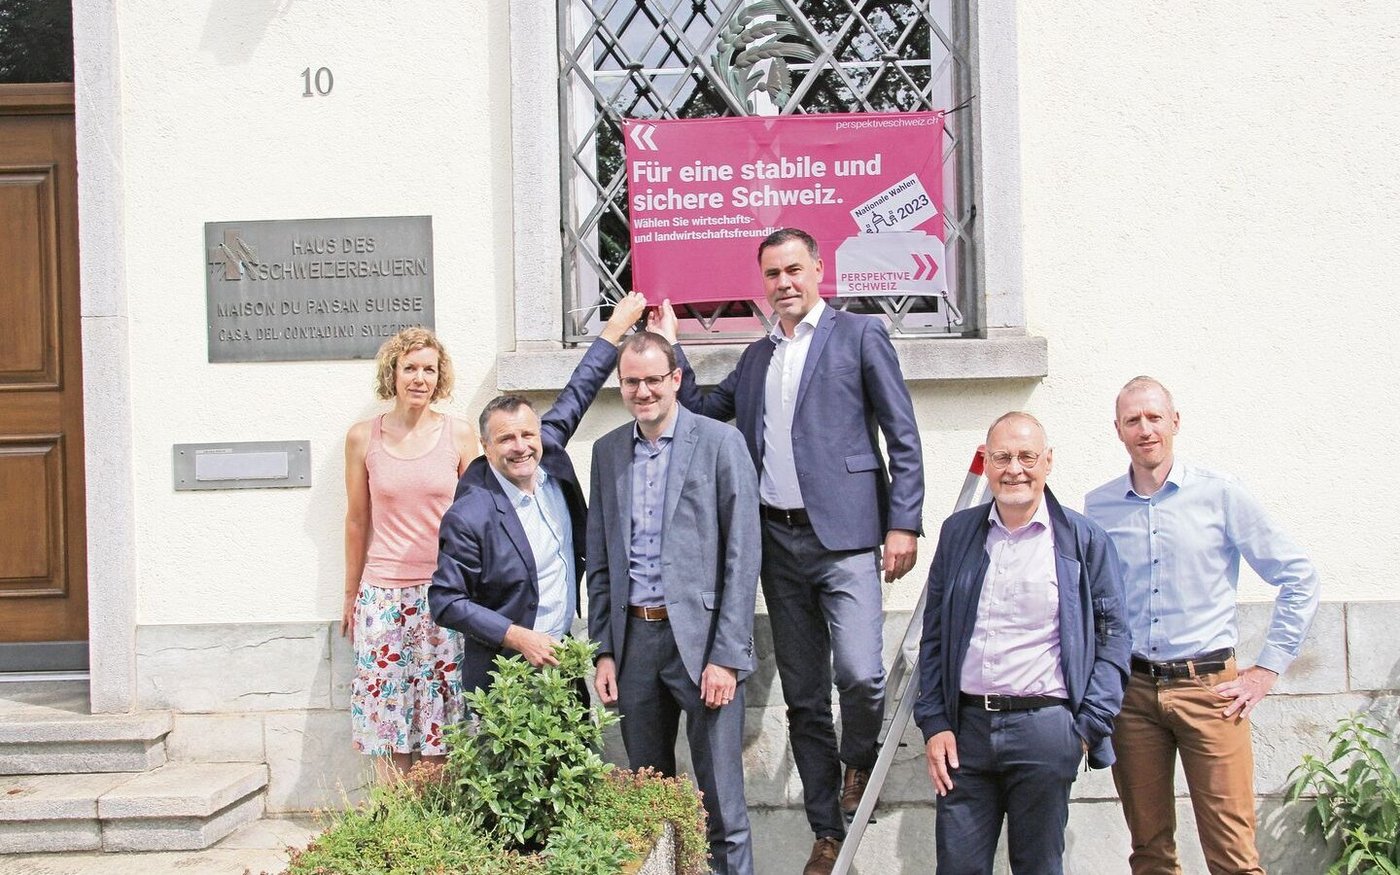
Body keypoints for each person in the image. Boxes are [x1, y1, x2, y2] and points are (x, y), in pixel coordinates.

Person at [674, 227, 924, 875]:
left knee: (862, 673)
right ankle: (826, 831)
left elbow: (902, 431)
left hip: (847, 538)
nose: (783, 283)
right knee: (807, 697)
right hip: (777, 544)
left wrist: (905, 522)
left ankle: (860, 753)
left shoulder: (859, 336)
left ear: (818, 269)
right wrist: (670, 342)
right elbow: (700, 405)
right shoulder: (756, 359)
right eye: (772, 274)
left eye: (793, 269)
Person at [1084, 376, 1321, 875]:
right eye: (1133, 420)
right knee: (1149, 851)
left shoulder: (1220, 494)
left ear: (1175, 422)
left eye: (1154, 417)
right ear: (1118, 431)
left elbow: (1298, 576)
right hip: (1133, 697)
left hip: (1211, 691)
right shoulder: (1098, 507)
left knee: (1233, 854)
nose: (1145, 429)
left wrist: (1266, 669)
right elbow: (1093, 603)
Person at [914, 412, 1130, 875]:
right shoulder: (958, 535)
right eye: (1002, 457)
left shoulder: (1083, 539)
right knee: (957, 868)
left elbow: (1114, 639)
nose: (1015, 468)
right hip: (965, 734)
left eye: (1027, 456)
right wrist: (934, 722)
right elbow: (933, 637)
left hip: (1046, 731)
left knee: (1038, 866)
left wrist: (1088, 726)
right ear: (987, 465)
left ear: (1048, 462)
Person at [588, 331, 761, 875]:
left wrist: (728, 655)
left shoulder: (719, 443)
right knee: (651, 804)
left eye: (653, 380)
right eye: (632, 381)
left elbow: (742, 555)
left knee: (721, 806)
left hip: (704, 647)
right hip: (635, 642)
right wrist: (604, 652)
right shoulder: (607, 451)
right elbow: (600, 560)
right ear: (621, 386)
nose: (643, 391)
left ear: (676, 379)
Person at [428, 293, 649, 694]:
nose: (521, 446)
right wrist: (517, 636)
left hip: (563, 662)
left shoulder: (550, 458)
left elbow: (577, 393)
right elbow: (444, 600)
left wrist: (615, 328)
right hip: (505, 677)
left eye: (527, 434)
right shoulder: (470, 512)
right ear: (485, 445)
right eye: (506, 438)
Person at [343, 326, 478, 783]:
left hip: (444, 593)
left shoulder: (460, 435)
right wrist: (349, 596)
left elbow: (477, 516)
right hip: (382, 596)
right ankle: (396, 828)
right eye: (410, 368)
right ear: (393, 374)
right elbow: (357, 520)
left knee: (440, 715)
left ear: (440, 378)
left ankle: (435, 829)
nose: (419, 378)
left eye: (429, 369)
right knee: (388, 717)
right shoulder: (364, 437)